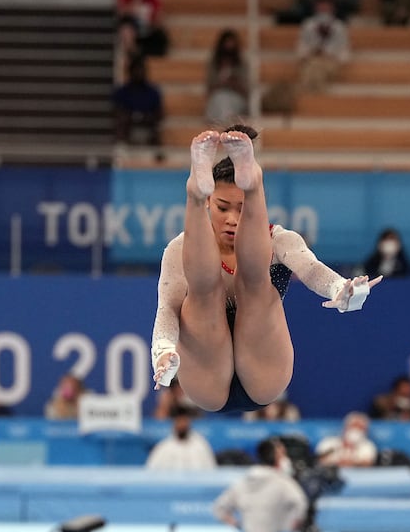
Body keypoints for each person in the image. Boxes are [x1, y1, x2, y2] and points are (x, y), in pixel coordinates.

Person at [150, 126, 378, 414]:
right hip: (204, 375)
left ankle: (252, 182)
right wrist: (163, 350)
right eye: (222, 208)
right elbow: (167, 309)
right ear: (209, 200)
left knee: (256, 284)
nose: (232, 219)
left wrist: (339, 288)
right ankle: (192, 194)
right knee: (202, 294)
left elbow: (310, 269)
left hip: (265, 372)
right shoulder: (179, 249)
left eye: (242, 208)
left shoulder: (280, 240)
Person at [213, 437, 310, 532]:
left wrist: (240, 527)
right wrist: (290, 530)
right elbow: (301, 506)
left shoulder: (243, 482)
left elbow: (219, 509)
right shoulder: (284, 483)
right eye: (283, 454)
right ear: (277, 458)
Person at [296, 0, 351, 93]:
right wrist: (309, 53)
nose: (324, 8)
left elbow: (344, 50)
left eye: (327, 5)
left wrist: (330, 55)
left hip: (331, 61)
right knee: (313, 65)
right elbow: (302, 46)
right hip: (312, 59)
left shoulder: (339, 27)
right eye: (321, 5)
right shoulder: (308, 25)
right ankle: (317, 95)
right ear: (316, 7)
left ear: (332, 7)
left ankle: (310, 94)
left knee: (315, 68)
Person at [112, 55, 164, 147]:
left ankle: (155, 157)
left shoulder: (153, 92)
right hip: (128, 129)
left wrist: (143, 117)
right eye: (136, 70)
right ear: (130, 71)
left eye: (141, 70)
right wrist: (132, 117)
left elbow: (159, 115)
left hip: (147, 128)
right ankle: (121, 153)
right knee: (121, 126)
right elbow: (117, 113)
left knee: (156, 133)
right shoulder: (121, 92)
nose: (138, 73)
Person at [146, 406, 219, 469]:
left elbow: (211, 470)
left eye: (184, 421)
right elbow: (151, 472)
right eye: (179, 421)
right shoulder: (164, 447)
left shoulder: (201, 445)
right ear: (174, 424)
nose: (182, 425)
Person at [205, 29, 250, 125]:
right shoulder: (214, 64)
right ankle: (224, 127)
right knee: (221, 99)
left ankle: (223, 127)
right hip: (216, 98)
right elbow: (209, 87)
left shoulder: (242, 64)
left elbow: (246, 89)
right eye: (227, 42)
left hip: (236, 98)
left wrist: (232, 83)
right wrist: (221, 84)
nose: (229, 46)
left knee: (225, 102)